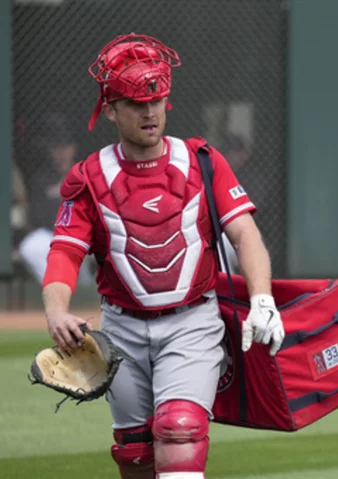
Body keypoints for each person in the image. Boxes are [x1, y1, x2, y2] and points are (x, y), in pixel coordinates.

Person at [41, 33, 285, 479]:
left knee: (180, 430)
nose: (149, 112)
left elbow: (246, 235)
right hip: (121, 329)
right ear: (110, 109)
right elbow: (64, 251)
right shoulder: (90, 178)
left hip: (192, 322)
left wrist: (262, 299)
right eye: (135, 103)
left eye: (156, 99)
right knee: (135, 452)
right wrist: (56, 312)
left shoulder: (203, 161)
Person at [18, 114, 94, 285]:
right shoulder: (41, 179)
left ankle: (83, 288)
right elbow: (37, 215)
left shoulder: (85, 173)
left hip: (83, 233)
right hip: (51, 233)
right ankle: (56, 287)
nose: (61, 153)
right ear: (50, 151)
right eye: (56, 149)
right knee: (30, 246)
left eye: (65, 148)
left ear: (73, 149)